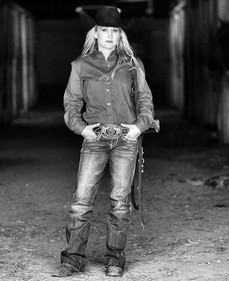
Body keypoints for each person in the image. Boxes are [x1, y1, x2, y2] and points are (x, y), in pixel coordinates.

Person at [53, 5, 154, 278]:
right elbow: (72, 104)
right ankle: (73, 258)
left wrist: (138, 127)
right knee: (81, 201)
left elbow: (145, 101)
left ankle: (115, 259)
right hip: (95, 139)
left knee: (119, 202)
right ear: (95, 33)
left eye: (114, 30)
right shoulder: (81, 65)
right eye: (104, 30)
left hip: (126, 140)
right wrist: (81, 129)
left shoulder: (133, 65)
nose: (109, 35)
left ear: (120, 34)